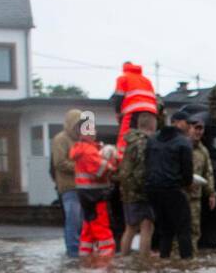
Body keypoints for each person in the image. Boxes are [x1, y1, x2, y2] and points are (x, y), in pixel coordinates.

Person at [145, 109, 196, 259]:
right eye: (189, 124)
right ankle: (187, 264)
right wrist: (187, 184)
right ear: (179, 123)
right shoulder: (183, 142)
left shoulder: (153, 139)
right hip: (173, 190)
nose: (190, 128)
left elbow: (147, 164)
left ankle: (164, 261)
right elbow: (188, 172)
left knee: (165, 230)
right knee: (184, 229)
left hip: (153, 190)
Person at [69, 120, 117, 256]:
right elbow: (101, 171)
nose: (95, 132)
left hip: (85, 194)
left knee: (88, 228)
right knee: (101, 227)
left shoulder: (80, 148)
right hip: (95, 194)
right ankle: (106, 262)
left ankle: (85, 260)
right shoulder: (89, 151)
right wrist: (112, 164)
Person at [117, 111, 158, 257]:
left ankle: (123, 257)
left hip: (127, 191)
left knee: (130, 227)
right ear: (152, 125)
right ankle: (144, 260)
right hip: (140, 192)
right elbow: (142, 169)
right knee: (147, 226)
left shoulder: (130, 141)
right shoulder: (144, 142)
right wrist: (149, 189)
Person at [51, 108, 84, 257]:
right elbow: (59, 163)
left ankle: (80, 249)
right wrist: (82, 167)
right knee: (73, 220)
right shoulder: (60, 139)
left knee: (81, 221)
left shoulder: (81, 140)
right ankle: (73, 251)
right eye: (78, 124)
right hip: (69, 187)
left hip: (83, 186)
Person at [111, 61, 159, 158]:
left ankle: (121, 160)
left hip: (134, 111)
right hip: (151, 114)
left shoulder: (123, 78)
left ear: (124, 67)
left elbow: (118, 97)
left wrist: (118, 113)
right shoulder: (146, 80)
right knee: (148, 140)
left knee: (126, 139)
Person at [188, 117, 216, 255]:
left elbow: (208, 173)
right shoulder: (182, 146)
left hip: (195, 197)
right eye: (196, 128)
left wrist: (211, 193)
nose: (199, 132)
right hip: (179, 196)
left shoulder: (203, 151)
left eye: (201, 129)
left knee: (194, 231)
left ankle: (190, 258)